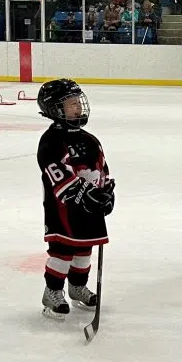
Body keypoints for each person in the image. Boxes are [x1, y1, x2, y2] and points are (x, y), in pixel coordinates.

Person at [36, 79, 115, 319]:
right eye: (70, 104)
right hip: (63, 208)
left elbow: (102, 168)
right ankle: (52, 292)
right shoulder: (51, 141)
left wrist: (107, 192)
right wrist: (84, 193)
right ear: (54, 109)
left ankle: (77, 287)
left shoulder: (90, 139)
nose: (78, 108)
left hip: (89, 209)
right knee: (62, 251)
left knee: (84, 250)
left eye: (78, 103)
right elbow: (57, 173)